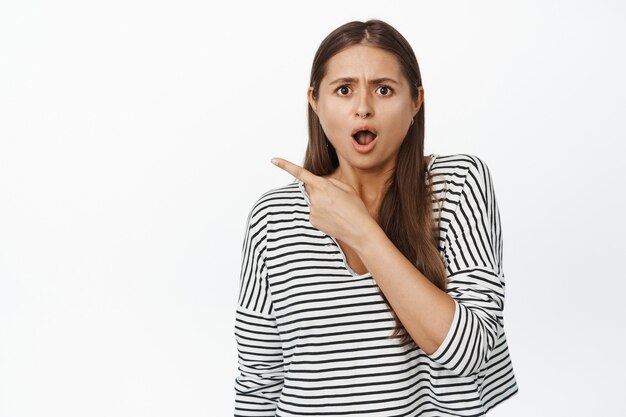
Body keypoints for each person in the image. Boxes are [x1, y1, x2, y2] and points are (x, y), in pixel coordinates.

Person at [233, 19, 518, 416]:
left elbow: (470, 354)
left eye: (384, 90)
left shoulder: (457, 182)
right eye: (344, 90)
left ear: (415, 101)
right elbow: (259, 379)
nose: (363, 108)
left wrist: (363, 231)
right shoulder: (273, 216)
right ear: (315, 101)